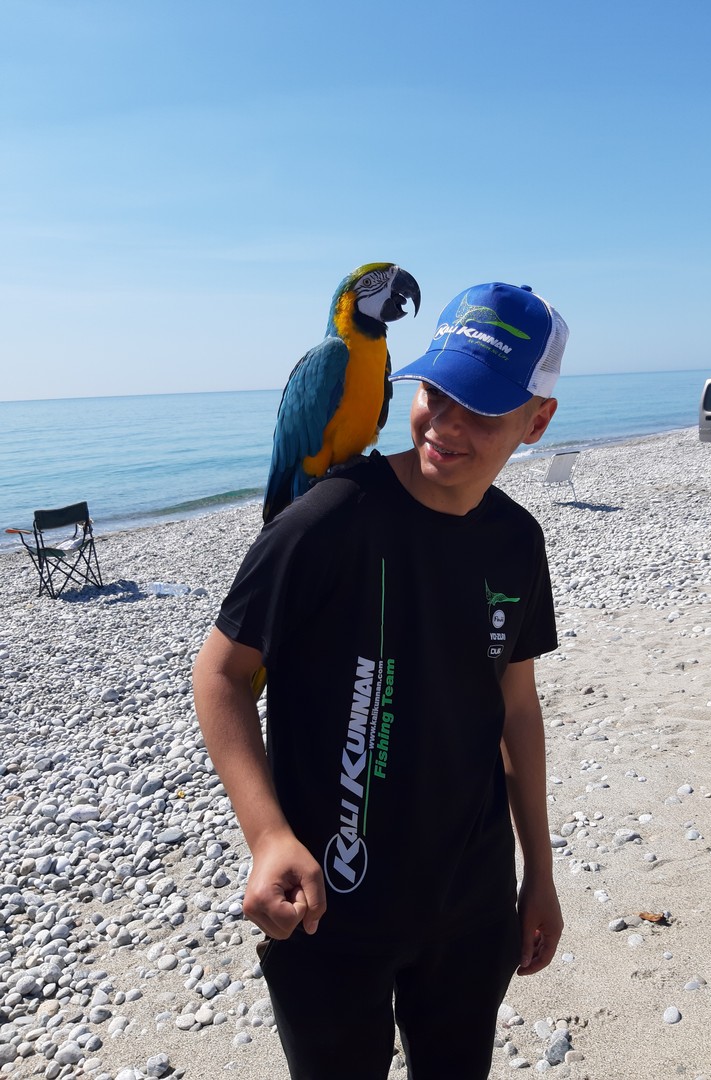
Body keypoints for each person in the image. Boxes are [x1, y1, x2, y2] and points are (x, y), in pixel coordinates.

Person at [192, 281, 568, 1080]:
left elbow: (516, 707)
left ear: (537, 421)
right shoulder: (327, 520)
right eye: (436, 392)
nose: (446, 424)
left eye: (484, 408)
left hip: (470, 900)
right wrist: (267, 836)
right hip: (328, 901)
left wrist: (538, 871)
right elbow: (221, 673)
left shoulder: (517, 542)